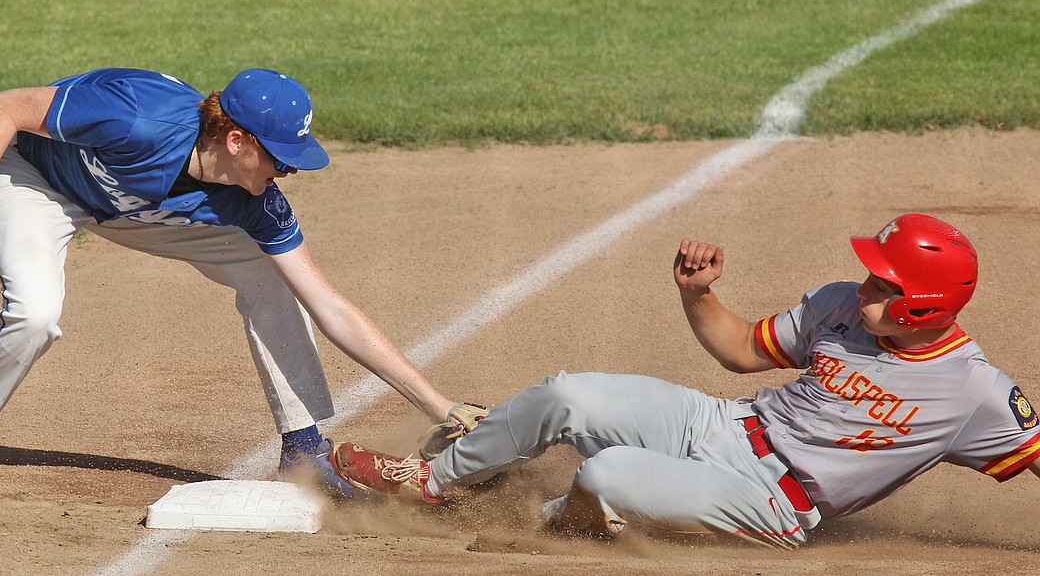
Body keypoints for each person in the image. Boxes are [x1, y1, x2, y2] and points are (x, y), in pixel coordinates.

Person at [0, 67, 481, 503]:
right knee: (34, 313)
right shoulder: (136, 116)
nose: (288, 173)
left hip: (135, 212)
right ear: (237, 142)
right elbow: (6, 107)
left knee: (273, 276)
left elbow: (329, 305)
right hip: (39, 182)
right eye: (280, 160)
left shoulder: (257, 204)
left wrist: (439, 405)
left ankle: (303, 451)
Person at [328, 214, 1040, 548]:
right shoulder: (838, 305)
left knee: (605, 474)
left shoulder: (974, 392)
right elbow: (739, 350)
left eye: (882, 284)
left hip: (772, 499)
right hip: (723, 424)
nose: (862, 287)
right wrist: (698, 294)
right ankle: (433, 479)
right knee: (567, 392)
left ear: (926, 306)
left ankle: (545, 522)